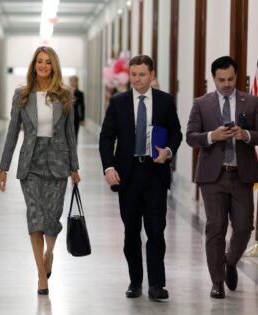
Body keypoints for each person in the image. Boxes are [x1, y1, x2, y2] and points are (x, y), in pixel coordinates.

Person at [0, 46, 80, 295]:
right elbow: (12, 133)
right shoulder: (22, 95)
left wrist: (74, 167)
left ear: (54, 67)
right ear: (34, 65)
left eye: (48, 62)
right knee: (35, 218)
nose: (43, 66)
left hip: (58, 162)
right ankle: (41, 276)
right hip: (30, 163)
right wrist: (3, 168)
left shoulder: (65, 95)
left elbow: (70, 134)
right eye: (39, 62)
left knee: (51, 219)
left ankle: (50, 253)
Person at [99, 55, 182, 300]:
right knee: (131, 232)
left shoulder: (165, 101)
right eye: (133, 74)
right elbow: (106, 137)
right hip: (128, 175)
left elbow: (176, 133)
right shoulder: (118, 102)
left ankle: (156, 285)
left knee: (156, 230)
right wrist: (108, 167)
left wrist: (167, 152)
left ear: (152, 74)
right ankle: (135, 281)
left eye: (142, 74)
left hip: (155, 173)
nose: (137, 79)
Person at [186, 56, 258, 299]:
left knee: (245, 227)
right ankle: (217, 282)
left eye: (230, 79)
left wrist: (246, 134)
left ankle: (230, 261)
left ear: (236, 77)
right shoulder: (201, 103)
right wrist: (212, 136)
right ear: (213, 79)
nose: (226, 84)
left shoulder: (251, 101)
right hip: (213, 176)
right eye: (221, 80)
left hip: (242, 175)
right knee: (215, 228)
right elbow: (190, 136)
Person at [69, 75, 85, 141]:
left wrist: (82, 119)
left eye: (74, 81)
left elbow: (82, 106)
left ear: (77, 82)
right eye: (71, 81)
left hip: (76, 116)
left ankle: (74, 149)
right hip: (67, 116)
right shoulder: (66, 92)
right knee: (68, 134)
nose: (72, 82)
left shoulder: (80, 93)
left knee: (75, 134)